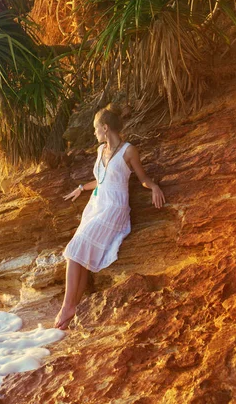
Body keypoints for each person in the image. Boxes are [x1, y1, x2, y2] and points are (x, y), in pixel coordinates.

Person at [54, 103, 165, 330]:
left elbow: (141, 177)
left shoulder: (128, 151)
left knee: (75, 248)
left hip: (114, 208)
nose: (94, 133)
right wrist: (81, 187)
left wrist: (153, 187)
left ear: (105, 128)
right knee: (81, 254)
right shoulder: (100, 151)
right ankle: (73, 306)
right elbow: (102, 180)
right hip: (96, 205)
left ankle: (66, 307)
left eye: (96, 129)